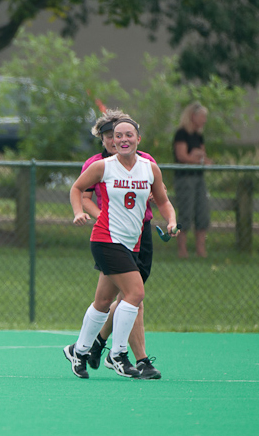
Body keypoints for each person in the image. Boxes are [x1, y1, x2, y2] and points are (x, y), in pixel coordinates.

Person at [64, 117, 178, 379]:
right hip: (106, 239)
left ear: (138, 139)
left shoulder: (149, 168)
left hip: (133, 242)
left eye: (129, 135)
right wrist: (78, 212)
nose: (123, 140)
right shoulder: (103, 166)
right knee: (136, 293)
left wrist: (171, 221)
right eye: (118, 136)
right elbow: (77, 188)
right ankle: (118, 354)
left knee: (103, 302)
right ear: (112, 142)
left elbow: (163, 200)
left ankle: (79, 351)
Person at [173, 102, 213, 258]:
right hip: (185, 178)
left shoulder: (198, 135)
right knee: (185, 213)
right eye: (202, 116)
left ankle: (200, 250)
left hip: (198, 177)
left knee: (202, 213)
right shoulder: (182, 134)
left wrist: (203, 159)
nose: (204, 120)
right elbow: (182, 156)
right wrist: (195, 158)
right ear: (193, 116)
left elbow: (203, 155)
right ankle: (182, 250)